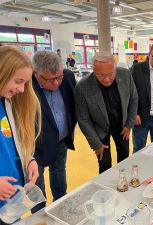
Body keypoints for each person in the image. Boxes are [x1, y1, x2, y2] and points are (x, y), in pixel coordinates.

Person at [75, 51, 138, 173]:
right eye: (101, 75)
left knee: (124, 158)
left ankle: (123, 184)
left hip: (122, 127)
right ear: (93, 70)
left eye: (110, 74)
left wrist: (129, 123)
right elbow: (83, 119)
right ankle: (106, 189)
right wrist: (95, 143)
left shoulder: (125, 74)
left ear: (115, 68)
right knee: (104, 165)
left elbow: (133, 98)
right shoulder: (83, 86)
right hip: (99, 130)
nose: (107, 79)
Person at [31, 51, 77, 212]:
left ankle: (61, 203)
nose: (56, 82)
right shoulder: (26, 85)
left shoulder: (68, 77)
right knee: (36, 183)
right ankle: (38, 212)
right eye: (50, 79)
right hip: (35, 147)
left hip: (61, 140)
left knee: (59, 172)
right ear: (35, 73)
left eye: (59, 77)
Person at [0, 46, 41, 222]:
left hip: (10, 202)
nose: (22, 89)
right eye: (18, 81)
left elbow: (11, 142)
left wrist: (28, 159)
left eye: (25, 83)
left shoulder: (6, 102)